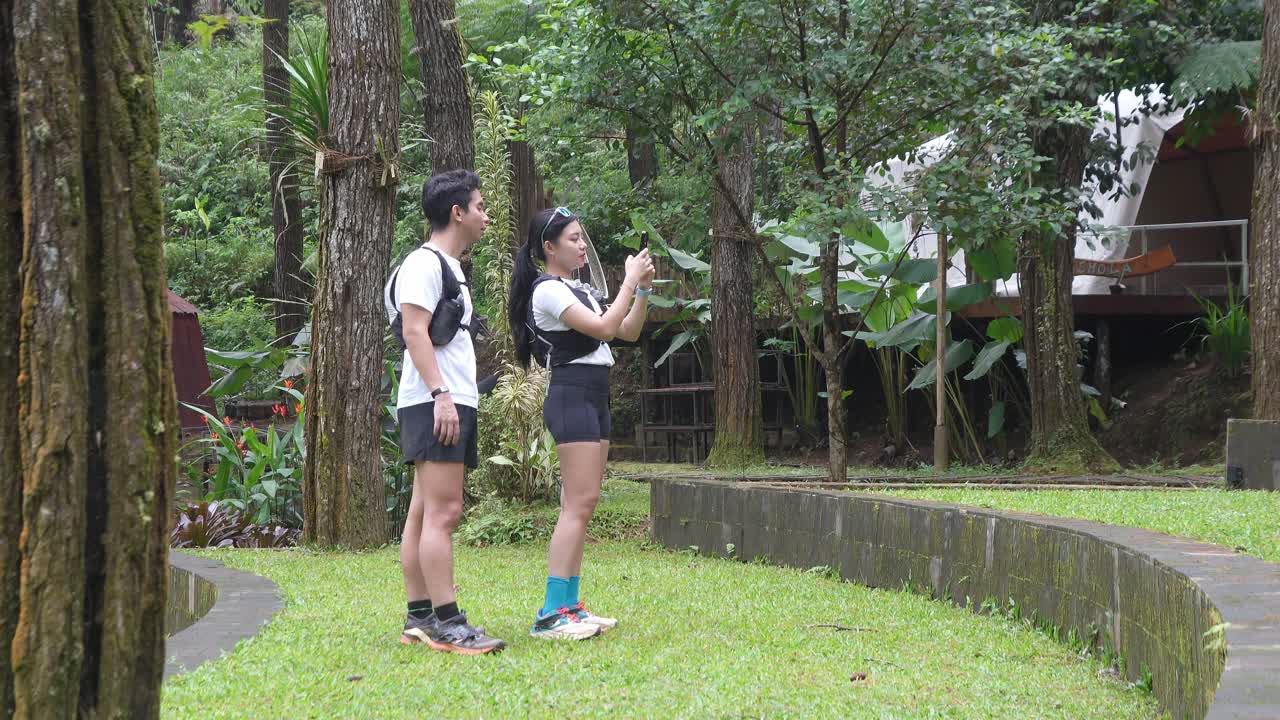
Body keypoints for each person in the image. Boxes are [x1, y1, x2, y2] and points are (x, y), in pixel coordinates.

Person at [508, 207, 655, 640]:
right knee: (577, 504)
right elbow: (607, 328)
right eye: (572, 239)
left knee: (583, 503)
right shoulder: (547, 292)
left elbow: (627, 330)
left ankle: (570, 606)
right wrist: (629, 279)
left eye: (580, 237)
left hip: (593, 391)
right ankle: (552, 612)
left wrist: (642, 291)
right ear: (548, 248)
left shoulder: (578, 289)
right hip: (572, 394)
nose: (581, 245)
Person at [389, 169, 505, 654]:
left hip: (443, 398)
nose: (485, 215)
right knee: (445, 511)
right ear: (457, 212)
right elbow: (414, 331)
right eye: (479, 206)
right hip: (436, 401)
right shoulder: (423, 263)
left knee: (422, 511)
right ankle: (448, 622)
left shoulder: (448, 267)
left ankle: (419, 616)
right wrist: (441, 395)